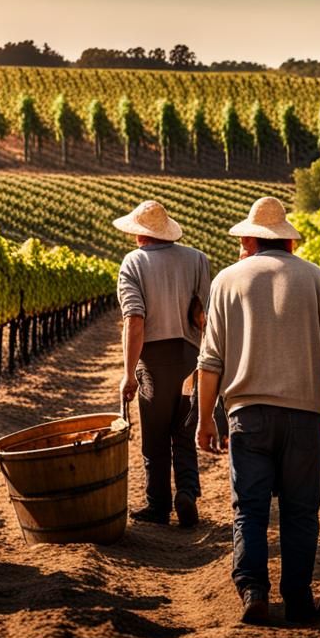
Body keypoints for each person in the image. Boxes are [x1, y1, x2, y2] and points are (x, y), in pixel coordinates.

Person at [196, 196, 320, 625]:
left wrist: (207, 418)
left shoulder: (227, 280)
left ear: (249, 238)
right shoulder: (316, 278)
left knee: (250, 508)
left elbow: (210, 362)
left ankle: (254, 594)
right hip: (304, 415)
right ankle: (298, 599)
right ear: (289, 242)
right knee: (301, 510)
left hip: (248, 414)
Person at [114, 200, 211, 527]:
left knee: (155, 439)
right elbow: (204, 317)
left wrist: (129, 374)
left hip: (153, 361)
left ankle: (158, 506)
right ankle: (187, 492)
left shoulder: (133, 263)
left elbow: (134, 320)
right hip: (189, 359)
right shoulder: (197, 259)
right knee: (184, 433)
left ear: (139, 234)